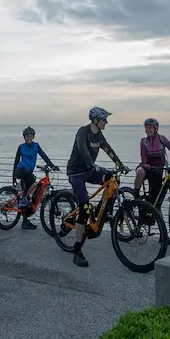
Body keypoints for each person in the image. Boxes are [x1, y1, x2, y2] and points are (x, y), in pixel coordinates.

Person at [63, 106, 127, 268]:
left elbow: (108, 150)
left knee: (113, 179)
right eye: (104, 119)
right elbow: (83, 150)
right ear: (96, 120)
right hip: (76, 173)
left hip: (89, 170)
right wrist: (93, 164)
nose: (107, 122)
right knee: (84, 208)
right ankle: (77, 251)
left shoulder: (99, 135)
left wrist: (120, 164)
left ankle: (102, 213)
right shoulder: (83, 132)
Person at [134, 117, 170, 208]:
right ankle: (136, 195)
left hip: (159, 169)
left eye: (150, 128)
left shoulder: (162, 139)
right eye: (146, 127)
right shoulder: (144, 141)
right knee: (140, 172)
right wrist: (146, 165)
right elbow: (143, 158)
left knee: (156, 197)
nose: (147, 130)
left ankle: (154, 213)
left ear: (156, 129)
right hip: (147, 168)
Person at [11, 126, 57, 230]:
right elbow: (16, 161)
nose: (29, 138)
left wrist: (52, 165)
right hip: (21, 170)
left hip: (28, 173)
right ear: (24, 137)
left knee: (29, 195)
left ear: (33, 137)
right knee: (31, 179)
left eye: (31, 136)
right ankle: (23, 199)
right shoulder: (21, 147)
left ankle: (25, 221)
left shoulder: (36, 146)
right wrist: (13, 176)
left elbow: (44, 156)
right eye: (27, 136)